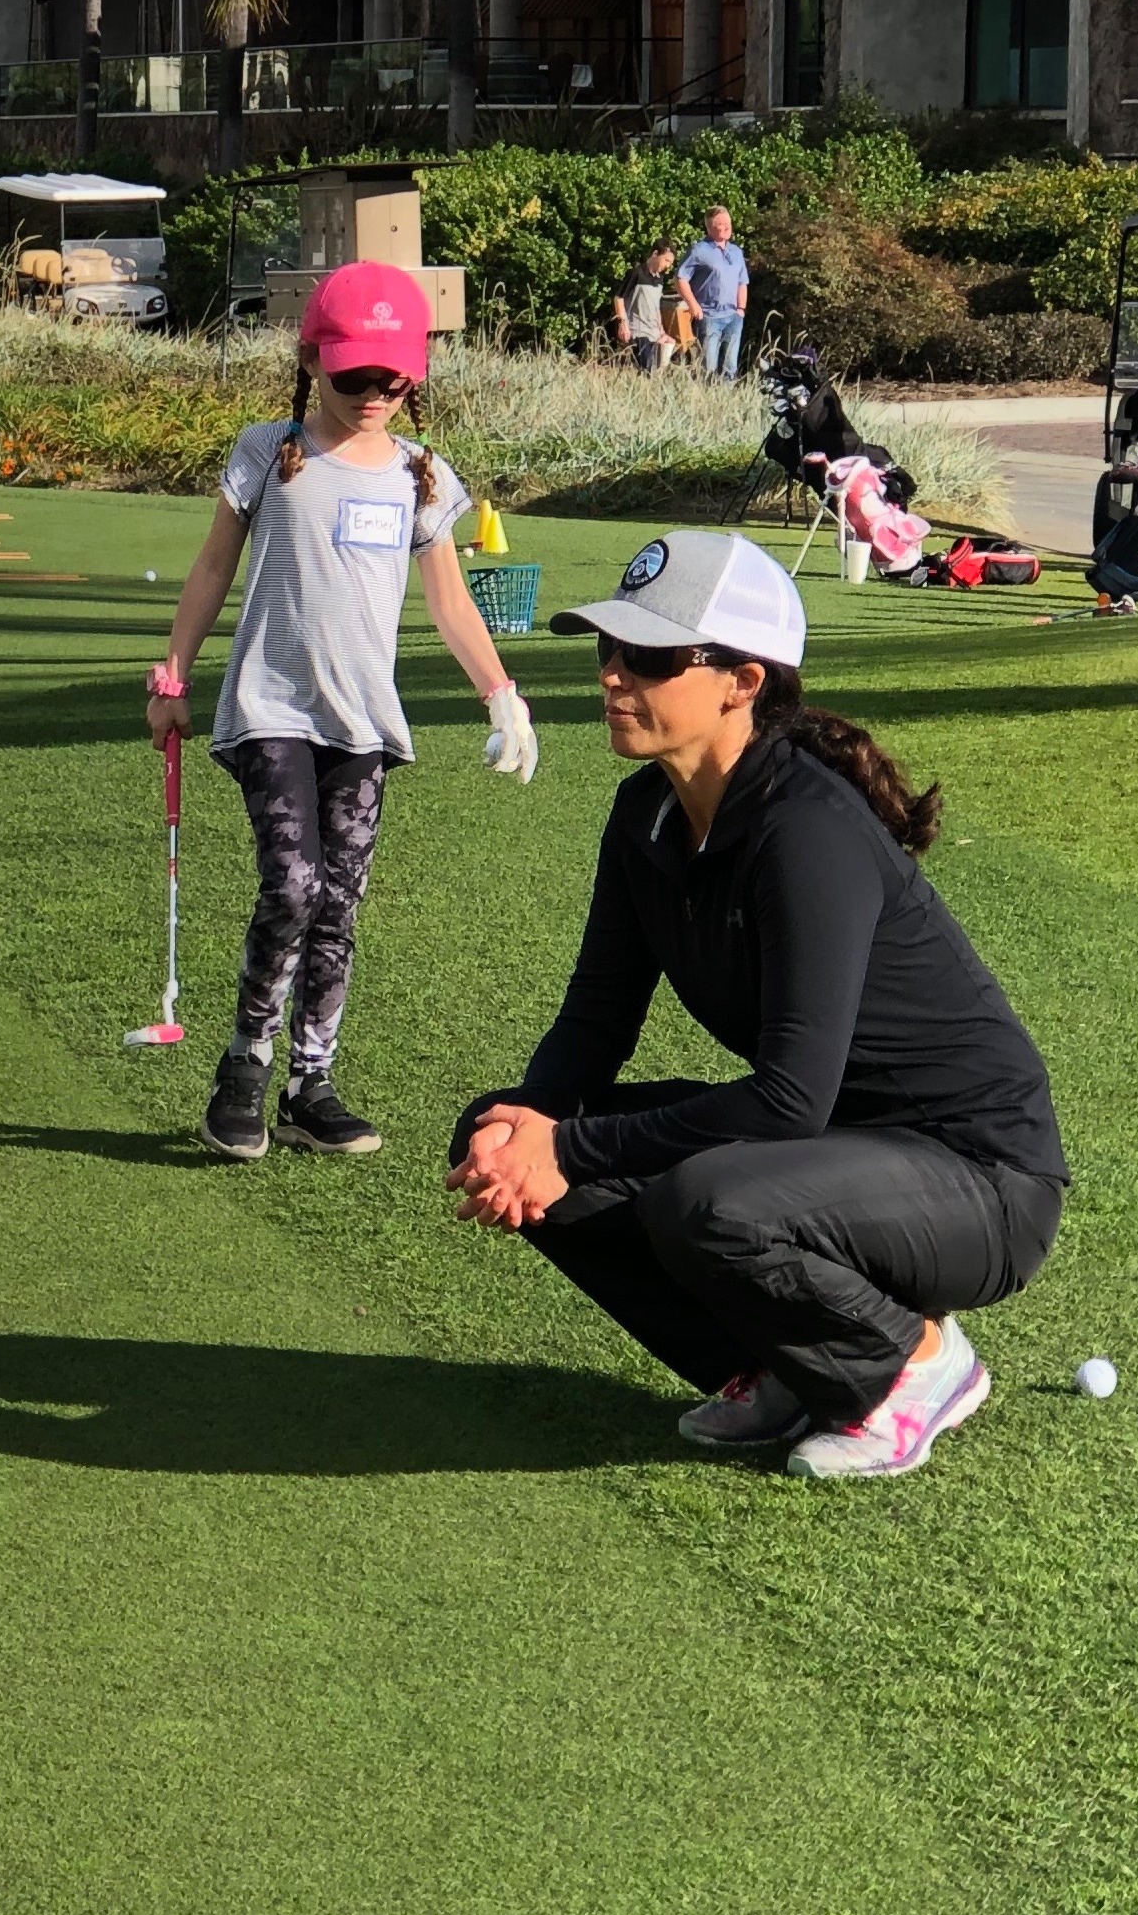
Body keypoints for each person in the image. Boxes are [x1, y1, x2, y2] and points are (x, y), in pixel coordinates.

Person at [445, 532, 1064, 1480]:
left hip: (978, 1182)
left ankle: (911, 1365)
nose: (614, 676)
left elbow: (787, 1103)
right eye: (608, 650)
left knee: (708, 1201)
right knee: (495, 1129)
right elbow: (598, 1015)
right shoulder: (645, 813)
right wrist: (530, 1125)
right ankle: (783, 1370)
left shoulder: (807, 830)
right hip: (837, 1159)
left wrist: (565, 1147)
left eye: (649, 658)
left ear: (742, 679)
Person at [146, 258, 538, 1165]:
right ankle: (242, 1072)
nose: (373, 393)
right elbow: (213, 569)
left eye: (393, 378)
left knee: (340, 906)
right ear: (311, 360)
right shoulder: (267, 450)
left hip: (363, 724)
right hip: (270, 708)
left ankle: (309, 1084)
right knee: (292, 886)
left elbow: (449, 602)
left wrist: (502, 692)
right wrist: (173, 677)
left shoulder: (422, 476)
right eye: (353, 375)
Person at [682, 207, 750, 379]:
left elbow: (743, 282)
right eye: (721, 224)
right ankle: (706, 400)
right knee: (708, 367)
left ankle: (726, 400)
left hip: (733, 317)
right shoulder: (699, 250)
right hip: (709, 316)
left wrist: (741, 310)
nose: (727, 227)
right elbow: (680, 278)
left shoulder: (736, 252)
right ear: (710, 228)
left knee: (730, 366)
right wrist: (693, 305)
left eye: (728, 223)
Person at [610, 240, 677, 370]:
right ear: (655, 253)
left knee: (657, 371)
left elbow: (655, 306)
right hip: (638, 331)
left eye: (670, 263)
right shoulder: (636, 273)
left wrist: (662, 332)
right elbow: (619, 298)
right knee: (647, 369)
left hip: (654, 333)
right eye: (666, 260)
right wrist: (622, 324)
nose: (668, 266)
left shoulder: (660, 279)